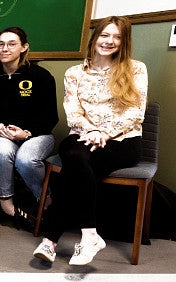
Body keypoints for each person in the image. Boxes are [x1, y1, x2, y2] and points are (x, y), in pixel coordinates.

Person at [33, 16, 148, 266]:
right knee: (74, 154)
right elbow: (72, 112)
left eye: (117, 37)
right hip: (83, 137)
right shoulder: (75, 73)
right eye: (105, 35)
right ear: (95, 37)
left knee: (73, 169)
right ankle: (90, 235)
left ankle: (50, 240)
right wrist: (91, 131)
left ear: (124, 42)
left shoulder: (135, 68)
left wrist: (104, 133)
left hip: (122, 141)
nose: (109, 41)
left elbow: (135, 112)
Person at [0, 26, 58, 230]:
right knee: (2, 150)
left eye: (11, 44)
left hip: (37, 134)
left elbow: (50, 117)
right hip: (1, 134)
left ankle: (46, 200)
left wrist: (26, 133)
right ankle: (7, 207)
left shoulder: (41, 76)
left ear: (24, 47)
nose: (5, 49)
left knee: (26, 159)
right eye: (1, 44)